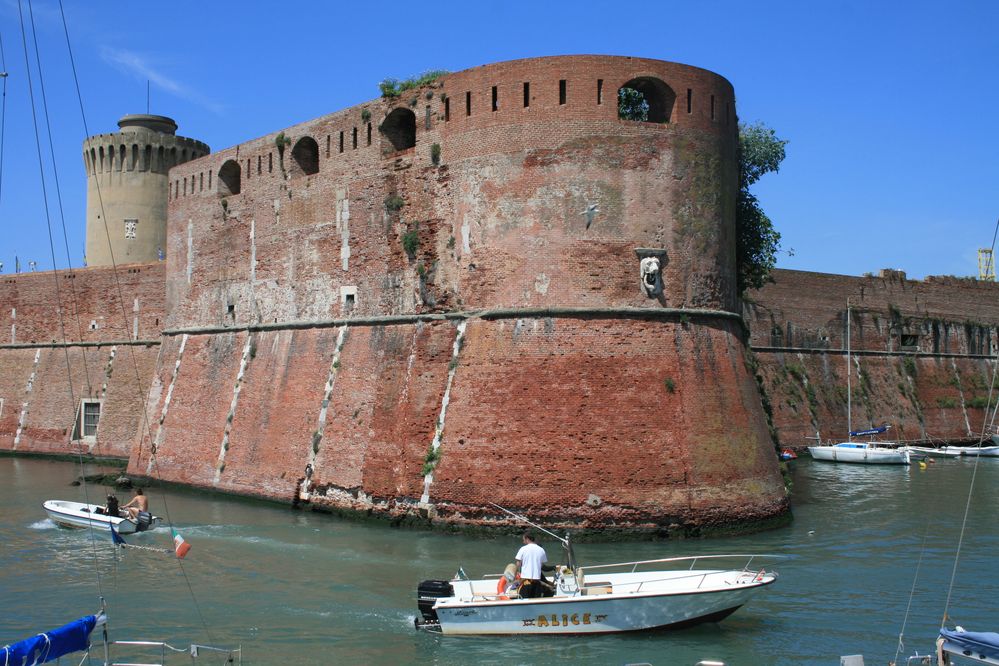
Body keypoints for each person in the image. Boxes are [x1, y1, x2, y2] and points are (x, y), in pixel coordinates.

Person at [515, 531, 547, 599]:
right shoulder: (541, 550)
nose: (523, 542)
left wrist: (517, 573)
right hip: (537, 582)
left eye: (523, 539)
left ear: (527, 539)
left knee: (523, 602)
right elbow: (541, 565)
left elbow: (518, 564)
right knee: (536, 603)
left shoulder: (523, 549)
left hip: (526, 582)